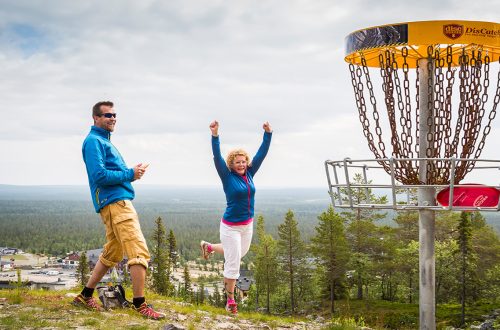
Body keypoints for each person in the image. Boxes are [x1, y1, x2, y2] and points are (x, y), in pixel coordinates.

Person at [73, 101, 165, 320]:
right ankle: (139, 304)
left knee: (113, 252)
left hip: (114, 202)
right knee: (139, 251)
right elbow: (100, 176)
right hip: (116, 203)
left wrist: (131, 172)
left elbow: (109, 172)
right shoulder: (94, 141)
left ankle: (85, 295)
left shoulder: (102, 141)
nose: (112, 118)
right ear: (95, 118)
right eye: (107, 115)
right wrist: (130, 174)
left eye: (114, 115)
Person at [201, 120, 272, 314]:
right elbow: (217, 156)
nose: (241, 164)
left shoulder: (250, 173)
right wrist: (215, 135)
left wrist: (268, 134)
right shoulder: (227, 176)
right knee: (233, 263)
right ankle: (230, 300)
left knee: (239, 252)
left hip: (247, 224)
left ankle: (209, 246)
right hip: (231, 226)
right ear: (231, 164)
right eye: (237, 162)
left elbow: (262, 154)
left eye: (243, 161)